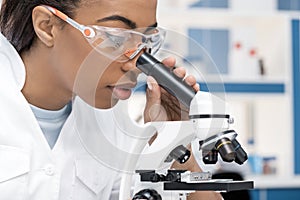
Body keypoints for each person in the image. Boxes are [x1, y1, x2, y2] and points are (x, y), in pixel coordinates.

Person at [0, 0, 223, 199]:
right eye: (116, 39)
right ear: (47, 26)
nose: (135, 64)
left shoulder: (111, 122)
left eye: (145, 42)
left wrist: (173, 140)